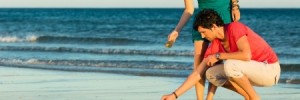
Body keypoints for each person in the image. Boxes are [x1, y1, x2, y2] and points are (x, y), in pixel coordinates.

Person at [161, 9, 280, 100]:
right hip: (251, 71)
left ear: (213, 27)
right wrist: (174, 95)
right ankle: (248, 97)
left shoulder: (234, 28)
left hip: (270, 70)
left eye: (203, 32)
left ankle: (255, 98)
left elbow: (246, 55)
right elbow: (197, 74)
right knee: (211, 74)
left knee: (230, 65)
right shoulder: (216, 44)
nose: (202, 36)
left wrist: (219, 56)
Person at [166, 0, 240, 99]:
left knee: (217, 60)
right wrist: (177, 30)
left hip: (223, 14)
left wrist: (235, 6)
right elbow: (189, 9)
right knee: (199, 60)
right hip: (201, 20)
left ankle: (209, 98)